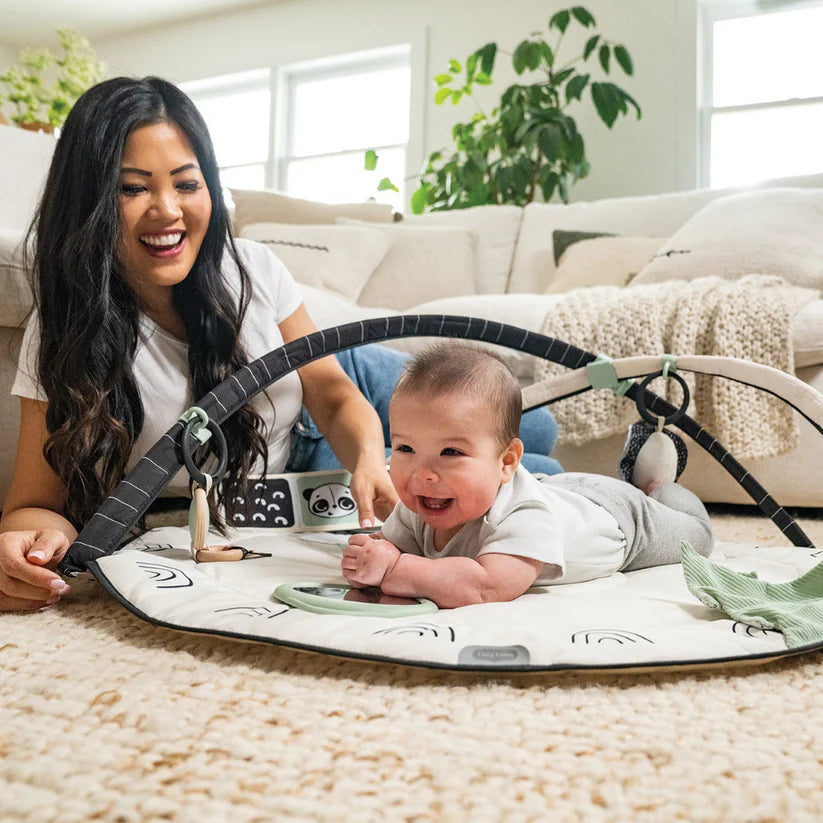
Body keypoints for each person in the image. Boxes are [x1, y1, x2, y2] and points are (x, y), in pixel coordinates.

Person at [0, 76, 563, 613]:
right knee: (534, 472)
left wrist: (373, 456)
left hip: (334, 389)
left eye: (186, 183)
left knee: (530, 423)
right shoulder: (64, 337)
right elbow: (34, 504)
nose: (168, 209)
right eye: (133, 187)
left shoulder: (252, 270)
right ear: (90, 200)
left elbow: (331, 390)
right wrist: (29, 545)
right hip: (291, 464)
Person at [342, 343, 714, 609]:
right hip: (553, 488)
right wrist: (375, 553)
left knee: (697, 535)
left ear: (506, 461)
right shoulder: (417, 503)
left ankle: (661, 484)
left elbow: (486, 587)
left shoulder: (525, 517)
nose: (422, 474)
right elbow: (399, 548)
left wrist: (393, 569)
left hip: (619, 515)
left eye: (451, 453)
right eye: (405, 449)